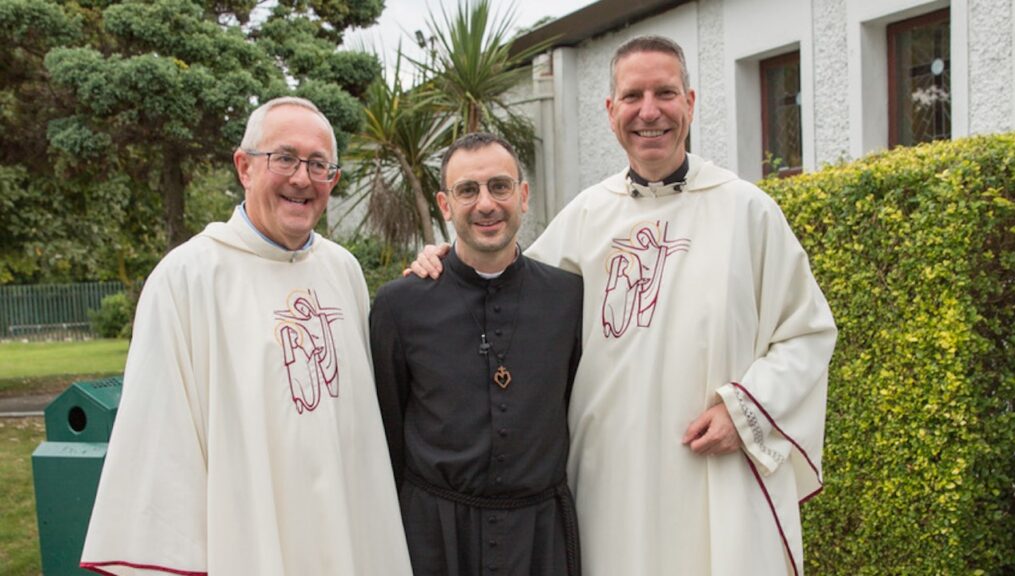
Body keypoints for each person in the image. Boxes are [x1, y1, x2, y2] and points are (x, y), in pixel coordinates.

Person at [408, 36, 837, 576]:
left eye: (666, 93)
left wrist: (744, 408)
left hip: (715, 473)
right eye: (633, 96)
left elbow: (807, 333)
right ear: (611, 111)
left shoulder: (747, 211)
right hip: (609, 479)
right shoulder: (587, 215)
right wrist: (446, 258)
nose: (649, 111)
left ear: (691, 102)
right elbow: (505, 288)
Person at [80, 97, 412, 576]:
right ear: (244, 167)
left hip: (347, 540)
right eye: (284, 158)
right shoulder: (187, 278)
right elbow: (161, 442)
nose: (302, 178)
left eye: (319, 165)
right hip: (249, 545)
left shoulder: (344, 271)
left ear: (333, 180)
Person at [371, 132, 584, 576]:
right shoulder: (399, 305)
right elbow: (387, 430)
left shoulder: (569, 297)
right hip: (435, 538)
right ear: (445, 205)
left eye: (499, 186)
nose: (486, 203)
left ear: (523, 196)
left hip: (539, 538)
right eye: (467, 190)